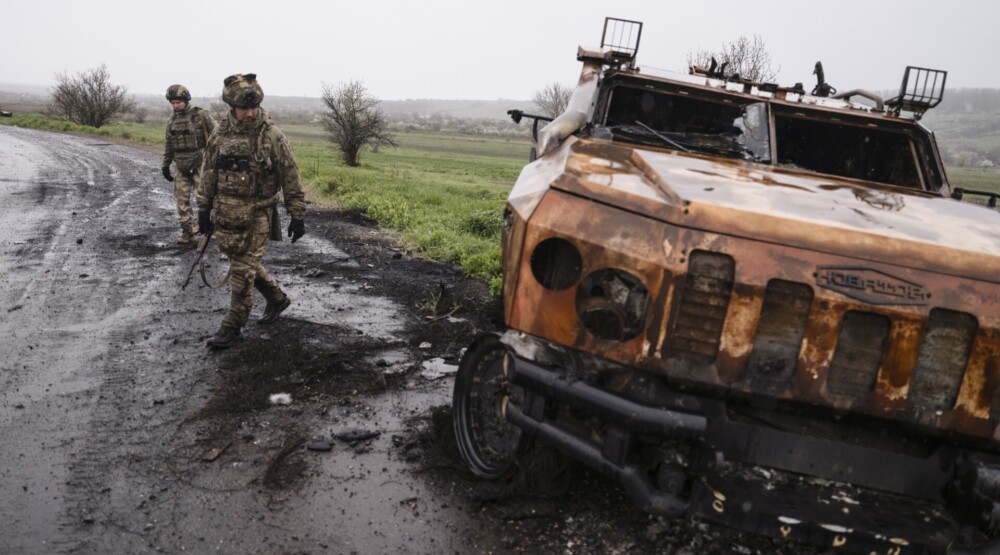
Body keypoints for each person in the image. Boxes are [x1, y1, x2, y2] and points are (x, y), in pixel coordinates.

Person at [196, 73, 306, 349]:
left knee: (242, 272)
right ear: (232, 107)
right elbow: (209, 173)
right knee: (244, 264)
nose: (250, 113)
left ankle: (232, 326)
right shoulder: (220, 134)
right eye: (244, 108)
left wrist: (297, 214)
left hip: (259, 214)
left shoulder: (272, 136)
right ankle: (277, 299)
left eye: (253, 107)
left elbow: (290, 176)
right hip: (228, 216)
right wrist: (203, 209)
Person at [162, 84, 217, 244]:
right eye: (172, 103)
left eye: (178, 102)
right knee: (181, 200)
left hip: (201, 163)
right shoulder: (171, 120)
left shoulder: (200, 115)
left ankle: (210, 227)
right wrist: (165, 165)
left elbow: (218, 135)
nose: (175, 105)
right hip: (181, 165)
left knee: (203, 198)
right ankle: (188, 232)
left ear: (185, 100)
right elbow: (169, 144)